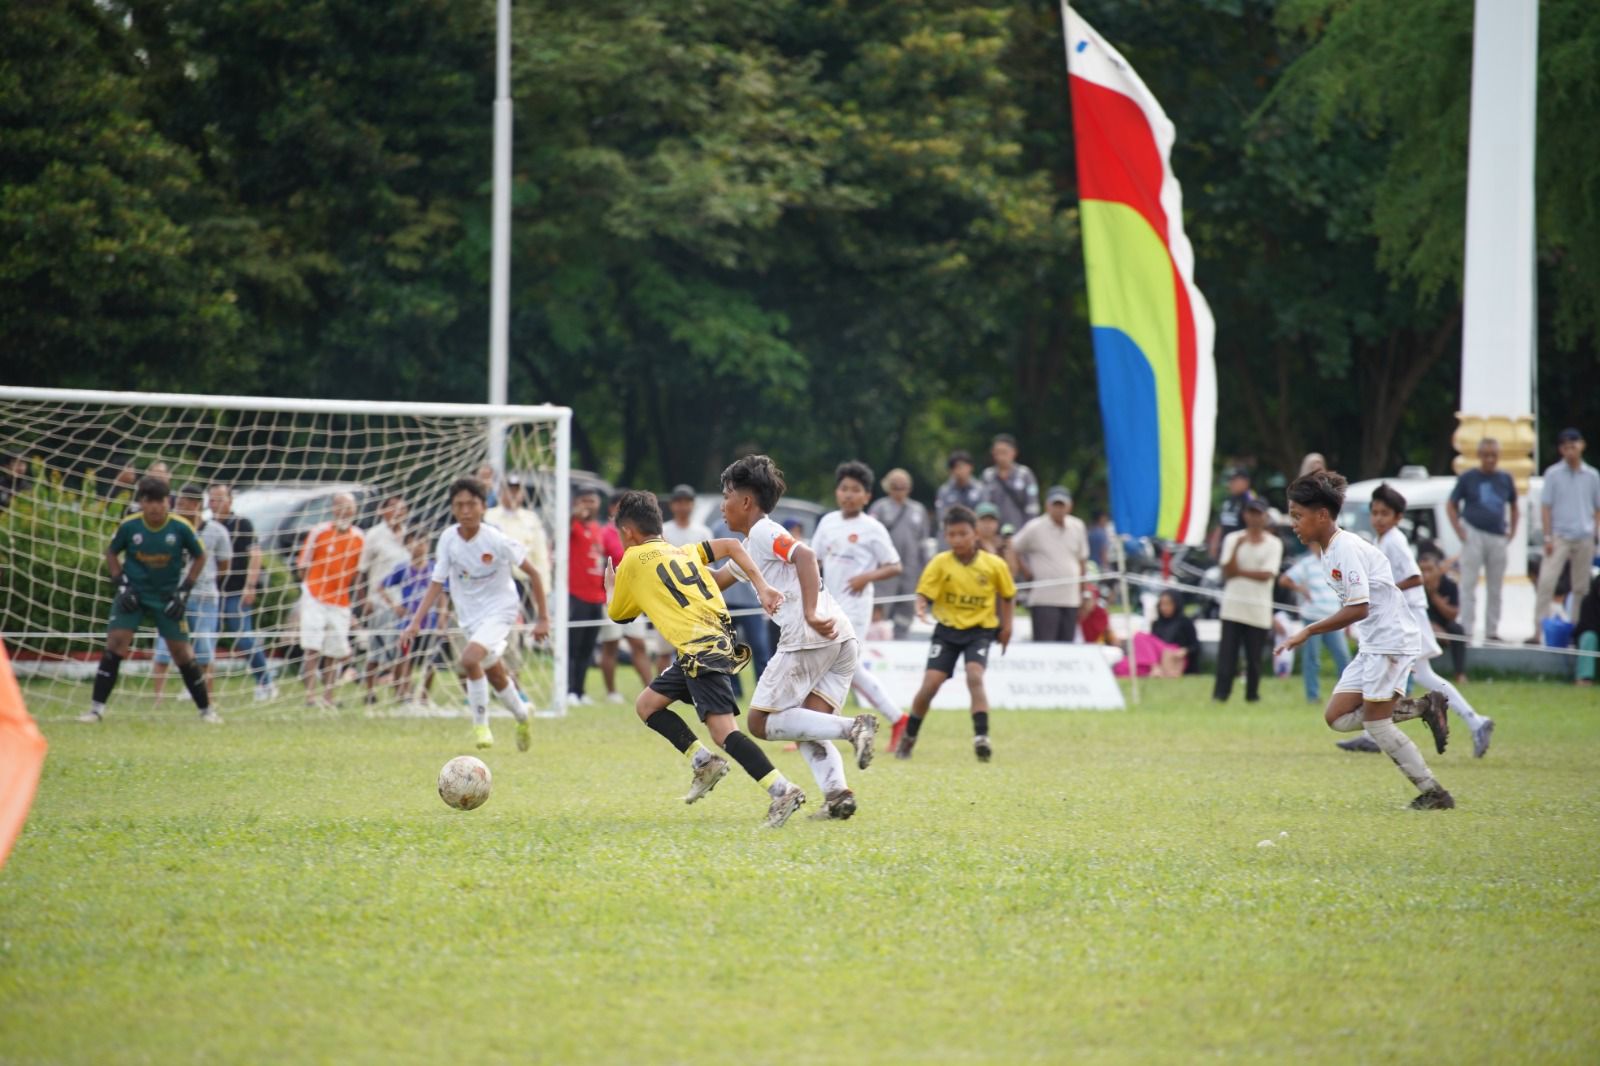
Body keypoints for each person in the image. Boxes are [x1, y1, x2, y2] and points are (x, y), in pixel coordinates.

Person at [602, 489, 807, 827]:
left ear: (628, 533)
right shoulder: (682, 551)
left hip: (701, 649)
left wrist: (611, 586)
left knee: (723, 732)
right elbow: (732, 546)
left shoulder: (631, 563)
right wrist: (762, 586)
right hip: (709, 643)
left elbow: (619, 615)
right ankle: (703, 762)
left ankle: (782, 790)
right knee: (647, 705)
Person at [1275, 471, 1455, 810]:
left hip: (1390, 641)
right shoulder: (1329, 551)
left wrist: (1310, 629)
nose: (1294, 524)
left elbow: (1359, 608)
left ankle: (1434, 792)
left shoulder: (1345, 549)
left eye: (1298, 516)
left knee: (1376, 724)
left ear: (1322, 515)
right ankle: (1423, 707)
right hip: (1374, 643)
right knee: (1337, 718)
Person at [714, 455, 878, 821]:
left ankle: (853, 728)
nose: (722, 505)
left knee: (759, 723)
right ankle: (838, 795)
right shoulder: (748, 549)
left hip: (810, 632)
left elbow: (804, 554)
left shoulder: (762, 531)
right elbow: (713, 582)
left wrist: (808, 612)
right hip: (839, 637)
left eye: (726, 495)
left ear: (745, 501)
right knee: (803, 722)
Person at [401, 478, 550, 750]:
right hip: (470, 616)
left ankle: (481, 727)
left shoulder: (495, 538)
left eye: (472, 504)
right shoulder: (448, 539)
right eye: (459, 505)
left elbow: (535, 573)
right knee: (493, 673)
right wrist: (415, 622)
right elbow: (437, 582)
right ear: (453, 509)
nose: (466, 510)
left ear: (483, 507)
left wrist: (542, 618)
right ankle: (521, 714)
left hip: (501, 609)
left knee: (469, 659)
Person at [1361, 483, 1495, 757]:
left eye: (1384, 513)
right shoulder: (1384, 540)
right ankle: (1475, 721)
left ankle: (1371, 733)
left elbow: (1415, 577)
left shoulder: (1394, 541)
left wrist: (1384, 591)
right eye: (1374, 512)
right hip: (1403, 617)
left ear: (1398, 517)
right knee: (1420, 674)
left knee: (1389, 670)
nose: (1378, 518)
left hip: (1408, 618)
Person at [78, 476, 220, 724]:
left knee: (182, 653)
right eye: (149, 501)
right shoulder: (130, 526)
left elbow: (200, 556)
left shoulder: (180, 527)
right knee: (116, 644)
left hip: (166, 597)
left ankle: (206, 710)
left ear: (168, 502)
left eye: (160, 501)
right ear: (142, 502)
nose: (155, 507)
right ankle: (96, 709)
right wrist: (121, 583)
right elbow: (111, 552)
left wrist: (184, 589)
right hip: (133, 593)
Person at [896, 505, 1016, 762]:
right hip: (947, 631)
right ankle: (909, 737)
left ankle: (981, 737)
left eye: (963, 533)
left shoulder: (994, 565)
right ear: (946, 536)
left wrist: (1007, 627)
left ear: (975, 534)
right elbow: (924, 593)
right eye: (952, 534)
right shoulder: (940, 563)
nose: (958, 539)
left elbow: (1008, 596)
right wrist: (920, 607)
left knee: (975, 675)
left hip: (980, 631)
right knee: (930, 685)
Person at [810, 461, 908, 747]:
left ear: (867, 496)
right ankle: (816, 726)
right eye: (844, 489)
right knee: (834, 665)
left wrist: (866, 576)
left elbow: (894, 565)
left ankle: (816, 727)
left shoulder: (872, 528)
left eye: (856, 490)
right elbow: (814, 561)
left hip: (856, 606)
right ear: (837, 492)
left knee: (841, 664)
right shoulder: (828, 522)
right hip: (829, 602)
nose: (848, 495)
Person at [150, 485, 232, 705]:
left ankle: (208, 699)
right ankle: (157, 699)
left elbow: (224, 565)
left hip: (205, 598)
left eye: (183, 505)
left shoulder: (217, 532)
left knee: (204, 647)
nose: (178, 509)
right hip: (172, 598)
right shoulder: (169, 529)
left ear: (196, 505)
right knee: (163, 648)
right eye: (177, 505)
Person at [295, 493, 365, 710]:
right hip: (315, 595)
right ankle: (310, 696)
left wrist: (355, 604)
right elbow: (302, 565)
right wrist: (308, 591)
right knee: (312, 647)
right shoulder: (319, 532)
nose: (346, 511)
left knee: (335, 650)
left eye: (350, 507)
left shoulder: (359, 537)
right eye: (342, 506)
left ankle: (328, 697)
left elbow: (358, 574)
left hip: (340, 600)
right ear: (334, 509)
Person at [209, 483, 277, 701]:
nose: (215, 503)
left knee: (243, 639)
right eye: (211, 499)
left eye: (219, 498)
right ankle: (199, 685)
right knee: (204, 640)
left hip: (237, 591)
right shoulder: (206, 526)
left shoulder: (242, 524)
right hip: (211, 592)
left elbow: (255, 554)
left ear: (230, 501)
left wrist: (250, 585)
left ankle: (265, 682)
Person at [1448, 438, 1517, 643]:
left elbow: (1514, 506)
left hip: (1497, 534)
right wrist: (1459, 530)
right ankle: (1467, 630)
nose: (1489, 459)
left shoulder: (1505, 478)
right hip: (1473, 532)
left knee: (1495, 587)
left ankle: (1492, 631)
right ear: (1479, 456)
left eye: (1493, 455)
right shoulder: (1468, 477)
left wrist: (1512, 531)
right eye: (1486, 455)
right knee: (1468, 583)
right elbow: (1451, 504)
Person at [1212, 498, 1282, 703]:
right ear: (1244, 515)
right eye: (1250, 513)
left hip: (1258, 607)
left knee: (1254, 657)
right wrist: (1237, 549)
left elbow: (1267, 574)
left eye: (1258, 513)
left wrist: (1239, 572)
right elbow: (1226, 570)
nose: (1253, 518)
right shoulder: (1233, 539)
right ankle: (1221, 694)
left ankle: (1252, 694)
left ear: (1265, 516)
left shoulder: (1273, 543)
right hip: (1233, 606)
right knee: (1227, 655)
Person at [1534, 428, 1600, 633]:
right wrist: (1547, 536)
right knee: (1547, 582)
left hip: (1584, 535)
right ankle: (1538, 630)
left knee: (1581, 587)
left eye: (1573, 446)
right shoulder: (1553, 474)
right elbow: (1546, 507)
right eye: (1565, 447)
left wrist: (1596, 535)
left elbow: (1597, 508)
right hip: (1559, 535)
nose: (1570, 451)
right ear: (1561, 450)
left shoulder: (1592, 475)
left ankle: (1576, 628)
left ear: (1581, 446)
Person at [596, 491, 654, 702]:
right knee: (610, 644)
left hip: (635, 596)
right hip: (610, 595)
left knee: (638, 643)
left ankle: (652, 689)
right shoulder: (604, 533)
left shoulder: (635, 531)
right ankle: (612, 692)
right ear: (612, 508)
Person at [1011, 486, 1090, 643]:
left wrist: (1084, 593)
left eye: (1062, 505)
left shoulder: (1077, 526)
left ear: (1069, 506)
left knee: (1067, 645)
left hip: (1071, 598)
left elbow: (1082, 561)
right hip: (1044, 598)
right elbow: (1013, 547)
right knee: (1045, 646)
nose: (1059, 509)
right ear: (1047, 506)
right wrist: (1025, 571)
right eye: (1055, 505)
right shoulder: (1035, 527)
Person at [358, 495, 411, 705]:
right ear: (383, 511)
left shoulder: (409, 534)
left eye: (402, 509)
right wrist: (365, 600)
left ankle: (400, 692)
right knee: (377, 649)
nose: (399, 512)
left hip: (405, 602)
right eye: (394, 508)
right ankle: (369, 691)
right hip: (380, 601)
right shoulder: (374, 535)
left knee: (402, 648)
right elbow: (361, 572)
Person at [1280, 547, 1350, 702]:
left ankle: (1346, 694)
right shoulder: (1306, 563)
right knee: (1312, 658)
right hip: (1312, 616)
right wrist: (1301, 589)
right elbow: (1285, 579)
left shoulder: (1337, 563)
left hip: (1334, 616)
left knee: (1343, 656)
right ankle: (1312, 696)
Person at [381, 529, 443, 705]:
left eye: (422, 541)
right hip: (408, 622)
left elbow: (443, 593)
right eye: (414, 542)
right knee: (405, 659)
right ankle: (404, 694)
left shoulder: (434, 568)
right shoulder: (402, 569)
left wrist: (442, 615)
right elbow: (381, 586)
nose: (419, 546)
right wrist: (395, 606)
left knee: (431, 661)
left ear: (428, 545)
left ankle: (424, 696)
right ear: (407, 545)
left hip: (429, 621)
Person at [483, 473, 552, 629]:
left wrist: (543, 587)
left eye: (517, 491)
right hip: (495, 578)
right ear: (501, 492)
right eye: (509, 490)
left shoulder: (531, 519)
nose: (513, 495)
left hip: (524, 580)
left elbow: (540, 556)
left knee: (522, 625)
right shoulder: (489, 516)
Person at [868, 467, 930, 638]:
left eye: (903, 487)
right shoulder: (879, 507)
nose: (900, 491)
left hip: (911, 569)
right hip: (885, 569)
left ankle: (901, 639)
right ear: (888, 487)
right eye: (895, 486)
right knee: (879, 609)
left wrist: (927, 569)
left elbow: (923, 542)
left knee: (905, 610)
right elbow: (869, 539)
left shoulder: (918, 510)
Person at [566, 487, 608, 703]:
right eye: (584, 501)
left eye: (592, 501)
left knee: (587, 648)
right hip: (576, 595)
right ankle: (568, 690)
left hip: (596, 597)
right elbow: (562, 529)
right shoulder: (572, 526)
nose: (588, 505)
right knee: (572, 645)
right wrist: (574, 515)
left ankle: (580, 691)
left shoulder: (596, 528)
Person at [1418, 546, 1467, 683]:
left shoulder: (1449, 585)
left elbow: (1453, 614)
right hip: (1422, 625)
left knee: (1457, 630)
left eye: (1430, 570)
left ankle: (1460, 673)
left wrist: (1434, 596)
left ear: (1438, 570)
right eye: (1422, 570)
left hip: (1443, 624)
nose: (1426, 575)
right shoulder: (1415, 587)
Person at [934, 450, 984, 548]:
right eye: (955, 467)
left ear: (970, 467)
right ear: (951, 471)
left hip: (975, 539)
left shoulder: (980, 489)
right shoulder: (944, 491)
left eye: (962, 466)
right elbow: (943, 517)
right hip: (951, 539)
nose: (959, 471)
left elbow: (983, 516)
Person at [1209, 467, 1256, 557]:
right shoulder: (1228, 500)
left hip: (1241, 549)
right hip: (1224, 548)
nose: (1230, 484)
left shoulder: (1249, 500)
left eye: (1234, 481)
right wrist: (1214, 544)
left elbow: (1253, 526)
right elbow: (1221, 524)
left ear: (1245, 482)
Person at [1150, 591, 1201, 674]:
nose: (1164, 608)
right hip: (1159, 656)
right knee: (1139, 637)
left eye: (1168, 604)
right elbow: (1152, 645)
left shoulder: (1185, 622)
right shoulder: (1157, 624)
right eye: (1162, 604)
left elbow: (1195, 646)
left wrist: (1185, 651)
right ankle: (1156, 668)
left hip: (1176, 656)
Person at [1574, 583, 1600, 686]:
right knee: (1588, 637)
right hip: (1593, 638)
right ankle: (1584, 678)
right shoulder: (1588, 601)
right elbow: (1585, 625)